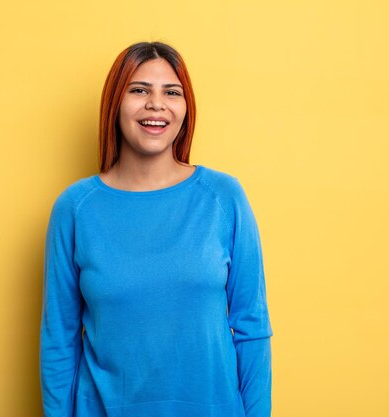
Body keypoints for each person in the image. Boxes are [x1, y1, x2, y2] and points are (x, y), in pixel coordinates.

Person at [40, 41, 273, 417]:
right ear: (115, 103)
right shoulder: (75, 208)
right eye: (139, 90)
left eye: (172, 92)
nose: (156, 104)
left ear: (186, 108)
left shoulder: (223, 198)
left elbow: (252, 327)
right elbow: (59, 340)